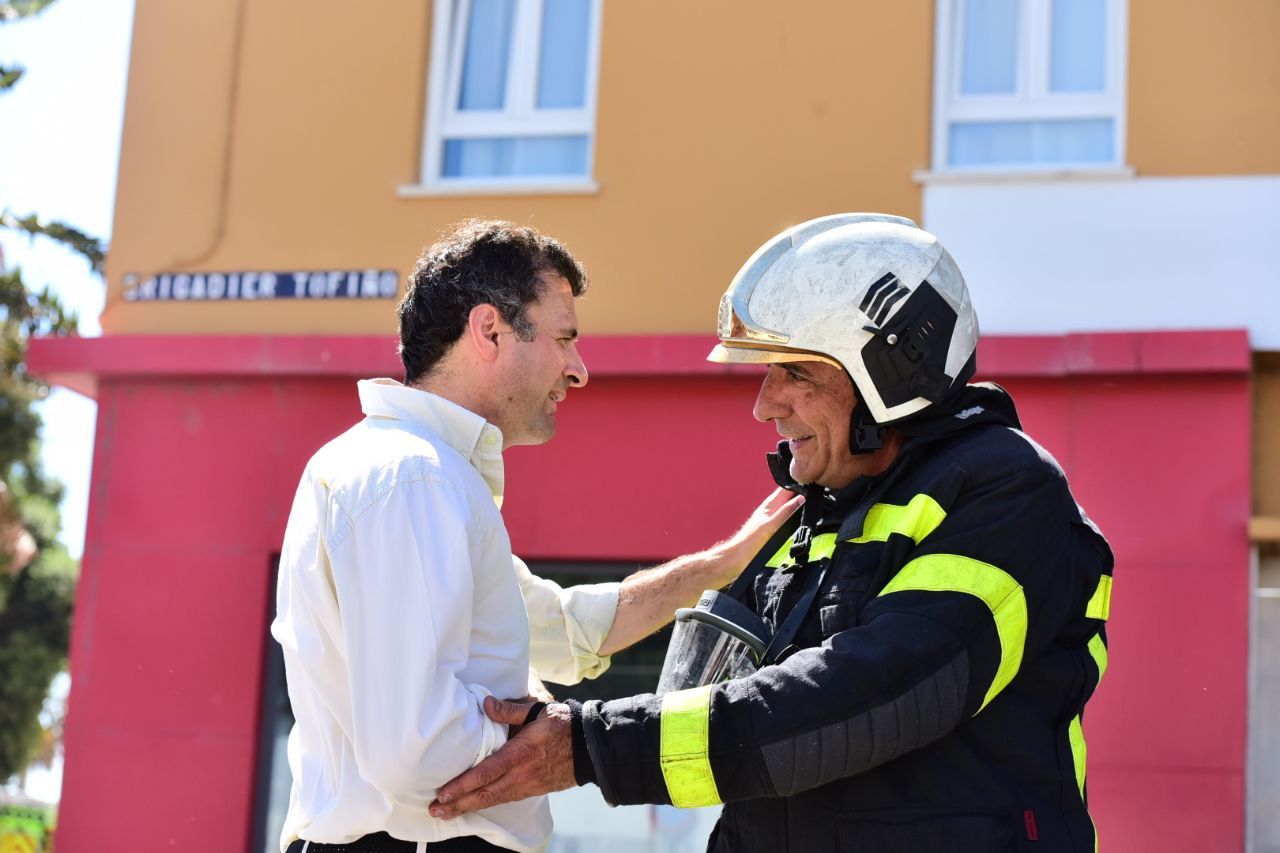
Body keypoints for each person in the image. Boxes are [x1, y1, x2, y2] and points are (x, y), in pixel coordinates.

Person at [429, 214, 1116, 852]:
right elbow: (715, 718)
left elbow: (868, 697)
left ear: (891, 369)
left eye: (795, 371)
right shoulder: (810, 511)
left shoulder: (1006, 493)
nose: (764, 404)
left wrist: (587, 744)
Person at [271, 219, 799, 853]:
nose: (578, 371)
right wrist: (559, 737)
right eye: (565, 338)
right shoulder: (414, 479)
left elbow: (563, 633)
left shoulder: (421, 473)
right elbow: (416, 748)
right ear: (489, 330)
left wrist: (719, 565)